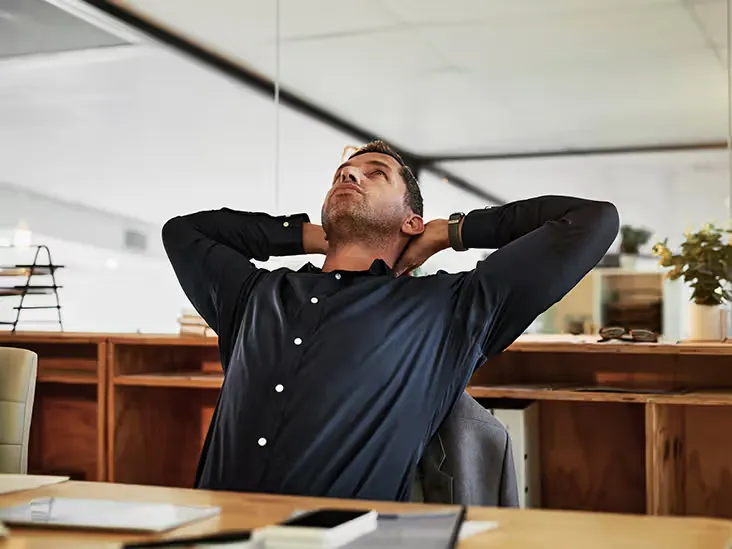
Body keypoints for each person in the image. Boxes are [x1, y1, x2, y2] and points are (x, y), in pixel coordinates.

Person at [162, 140, 619, 501]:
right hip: (215, 532)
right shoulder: (255, 294)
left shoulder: (449, 309)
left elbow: (591, 220)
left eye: (375, 173)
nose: (350, 174)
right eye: (343, 174)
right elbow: (183, 232)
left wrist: (451, 231)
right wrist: (307, 235)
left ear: (411, 221)